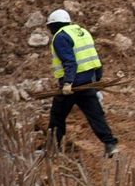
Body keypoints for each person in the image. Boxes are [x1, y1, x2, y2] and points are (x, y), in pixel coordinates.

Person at [46, 10, 119, 157]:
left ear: (54, 25)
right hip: (87, 83)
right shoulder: (82, 32)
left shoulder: (60, 37)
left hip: (72, 86)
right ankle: (110, 144)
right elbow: (94, 58)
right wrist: (96, 81)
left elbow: (70, 62)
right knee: (96, 115)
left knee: (57, 116)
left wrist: (67, 83)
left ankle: (52, 149)